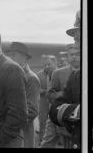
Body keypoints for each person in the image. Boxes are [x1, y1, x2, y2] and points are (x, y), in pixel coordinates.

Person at [49, 10, 81, 149]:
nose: (77, 44)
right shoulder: (77, 75)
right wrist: (77, 111)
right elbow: (55, 110)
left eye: (80, 39)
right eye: (75, 39)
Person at [40, 44, 79, 148]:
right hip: (59, 114)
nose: (74, 57)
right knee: (47, 142)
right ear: (68, 57)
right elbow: (50, 94)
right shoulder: (58, 73)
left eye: (77, 54)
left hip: (79, 117)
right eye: (71, 55)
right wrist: (65, 94)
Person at [7, 42, 40, 148]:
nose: (10, 58)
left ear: (25, 58)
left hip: (22, 131)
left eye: (14, 55)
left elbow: (32, 110)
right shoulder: (9, 75)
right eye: (9, 55)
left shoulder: (31, 78)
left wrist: (9, 121)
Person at [37, 54, 58, 145]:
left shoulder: (60, 73)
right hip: (44, 102)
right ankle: (42, 139)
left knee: (58, 121)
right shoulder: (39, 74)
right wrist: (47, 91)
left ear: (55, 63)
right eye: (44, 65)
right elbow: (37, 89)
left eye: (49, 64)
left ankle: (60, 140)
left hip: (57, 103)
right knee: (43, 120)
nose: (46, 67)